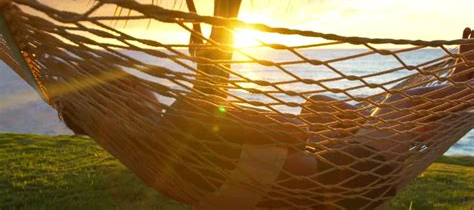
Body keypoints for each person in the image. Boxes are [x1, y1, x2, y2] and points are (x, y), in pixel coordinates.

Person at [161, 28, 474, 209]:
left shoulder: (174, 142)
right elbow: (293, 133)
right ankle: (461, 88)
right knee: (401, 102)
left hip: (318, 184)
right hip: (351, 181)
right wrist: (262, 121)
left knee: (318, 105)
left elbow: (283, 147)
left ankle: (422, 111)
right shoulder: (190, 120)